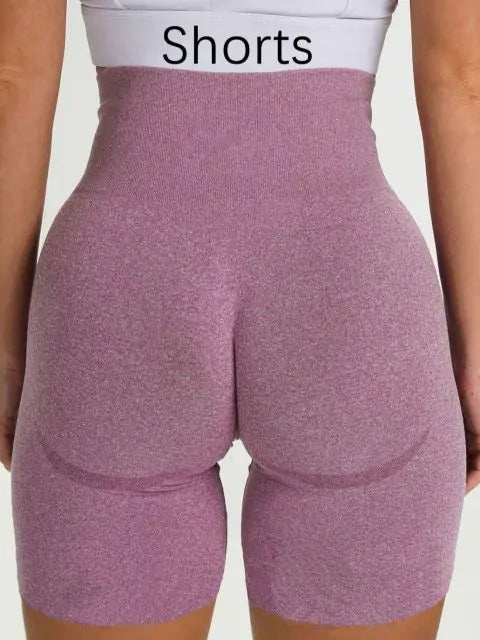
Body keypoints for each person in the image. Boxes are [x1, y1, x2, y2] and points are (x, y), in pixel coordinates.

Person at [1, 1, 479, 639]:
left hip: (117, 285)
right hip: (352, 289)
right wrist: (474, 354)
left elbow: (13, 73)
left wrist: (8, 349)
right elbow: (463, 80)